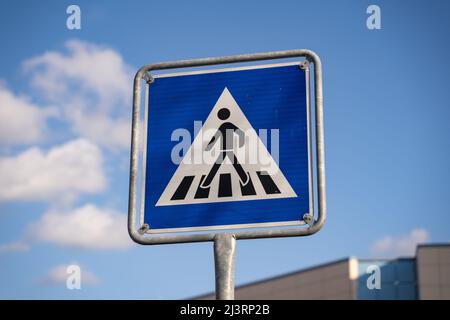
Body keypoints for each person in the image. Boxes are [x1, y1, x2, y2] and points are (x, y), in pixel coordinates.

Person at [200, 107, 249, 188]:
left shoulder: (223, 125)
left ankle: (206, 182)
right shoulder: (228, 125)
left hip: (224, 149)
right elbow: (241, 133)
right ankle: (244, 179)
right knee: (233, 165)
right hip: (228, 149)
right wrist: (241, 143)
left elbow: (215, 137)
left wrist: (209, 147)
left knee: (218, 166)